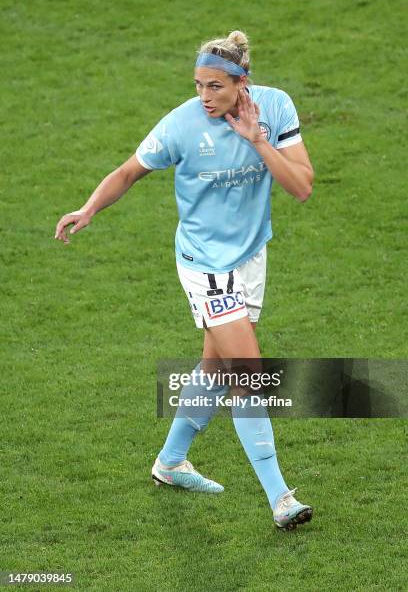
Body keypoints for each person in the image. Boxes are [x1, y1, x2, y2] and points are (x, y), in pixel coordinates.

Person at [55, 30, 314, 531]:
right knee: (247, 374)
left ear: (243, 83)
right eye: (198, 85)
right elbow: (130, 171)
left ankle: (170, 463)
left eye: (215, 87)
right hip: (204, 263)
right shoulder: (181, 124)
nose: (204, 97)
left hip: (250, 256)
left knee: (215, 368)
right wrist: (88, 208)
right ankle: (280, 497)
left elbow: (301, 187)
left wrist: (257, 141)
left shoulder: (275, 108)